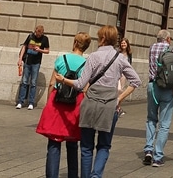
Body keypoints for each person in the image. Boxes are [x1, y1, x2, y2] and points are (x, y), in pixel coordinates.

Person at [55, 24, 141, 178]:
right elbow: (136, 81)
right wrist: (119, 98)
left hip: (91, 103)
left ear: (102, 38)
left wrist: (64, 80)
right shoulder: (120, 58)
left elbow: (81, 85)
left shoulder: (93, 57)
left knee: (86, 147)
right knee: (104, 145)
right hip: (109, 105)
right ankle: (96, 176)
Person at [36, 32, 92, 178]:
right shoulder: (87, 63)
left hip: (57, 102)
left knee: (54, 144)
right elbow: (85, 88)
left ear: (74, 43)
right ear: (86, 47)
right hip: (75, 104)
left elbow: (51, 83)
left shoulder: (62, 58)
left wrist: (49, 102)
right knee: (73, 144)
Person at [143, 29, 173, 166]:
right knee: (164, 124)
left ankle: (148, 150)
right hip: (168, 89)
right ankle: (158, 156)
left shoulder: (152, 48)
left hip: (153, 86)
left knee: (151, 119)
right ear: (168, 39)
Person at [16, 24, 50, 109]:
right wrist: (20, 59)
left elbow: (47, 51)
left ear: (42, 33)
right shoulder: (30, 36)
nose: (37, 36)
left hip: (36, 62)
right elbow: (24, 47)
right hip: (27, 61)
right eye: (37, 34)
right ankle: (21, 101)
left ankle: (31, 102)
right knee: (24, 81)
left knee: (33, 83)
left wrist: (40, 50)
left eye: (39, 35)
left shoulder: (45, 39)